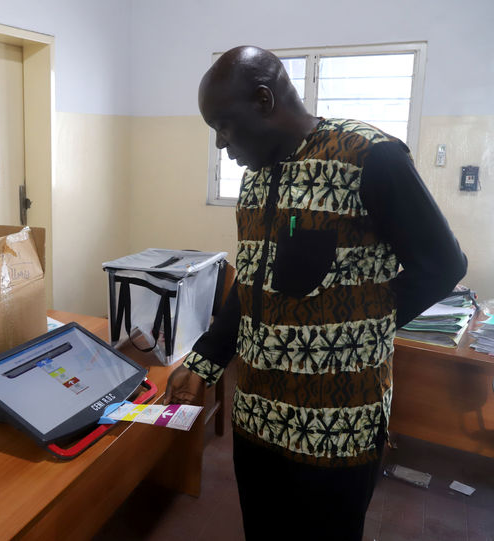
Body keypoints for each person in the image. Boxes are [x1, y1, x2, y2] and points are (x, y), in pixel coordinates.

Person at [165, 45, 467, 541]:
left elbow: (442, 264)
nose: (221, 144)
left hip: (336, 423)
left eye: (224, 125)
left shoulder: (371, 156)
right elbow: (252, 284)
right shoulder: (256, 180)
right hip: (257, 415)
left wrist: (364, 324)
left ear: (264, 101)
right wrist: (203, 365)